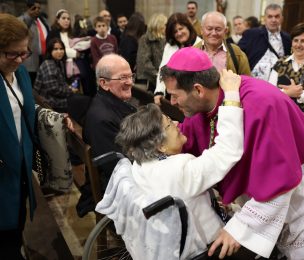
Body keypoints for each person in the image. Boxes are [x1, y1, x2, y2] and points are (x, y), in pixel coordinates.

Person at [160, 47, 304, 259]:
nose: (172, 103)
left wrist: (241, 227)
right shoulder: (201, 105)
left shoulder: (261, 103)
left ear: (198, 90)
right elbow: (190, 139)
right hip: (283, 178)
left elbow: (279, 180)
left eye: (175, 96)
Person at [97, 68, 245, 259]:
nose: (177, 123)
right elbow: (227, 151)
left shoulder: (139, 165)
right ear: (160, 145)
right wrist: (232, 95)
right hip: (204, 248)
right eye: (169, 123)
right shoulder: (180, 168)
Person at [0, 13, 36, 259]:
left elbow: (25, 108)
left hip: (20, 163)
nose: (21, 59)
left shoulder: (20, 73)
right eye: (13, 54)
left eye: (25, 52)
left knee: (17, 218)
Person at [83, 54, 137, 191]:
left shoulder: (111, 104)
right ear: (104, 83)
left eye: (131, 76)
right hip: (117, 189)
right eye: (123, 77)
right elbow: (118, 168)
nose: (130, 82)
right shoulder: (102, 119)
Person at [153, 12, 201, 103]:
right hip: (172, 97)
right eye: (175, 31)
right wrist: (159, 91)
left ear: (188, 27)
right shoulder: (170, 46)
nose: (179, 33)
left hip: (194, 98)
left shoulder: (200, 44)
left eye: (181, 28)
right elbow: (163, 70)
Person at [239, 4, 291, 81]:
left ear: (282, 19)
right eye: (270, 16)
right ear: (264, 19)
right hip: (253, 82)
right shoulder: (252, 34)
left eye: (277, 16)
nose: (273, 20)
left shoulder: (287, 38)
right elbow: (237, 55)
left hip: (277, 84)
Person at [195, 11, 250, 76]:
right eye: (209, 29)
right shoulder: (193, 52)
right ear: (201, 30)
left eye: (218, 29)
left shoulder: (236, 53)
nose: (213, 33)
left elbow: (247, 82)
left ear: (225, 31)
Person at [34, 38, 75, 112]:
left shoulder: (60, 62)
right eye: (55, 49)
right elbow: (53, 89)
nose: (59, 51)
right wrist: (70, 91)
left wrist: (69, 88)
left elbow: (62, 83)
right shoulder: (48, 64)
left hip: (57, 98)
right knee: (82, 102)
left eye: (61, 48)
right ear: (50, 51)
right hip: (48, 102)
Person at [18, 0, 50, 84]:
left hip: (42, 59)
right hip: (30, 60)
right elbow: (22, 29)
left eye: (39, 8)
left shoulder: (41, 20)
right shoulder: (22, 20)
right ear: (28, 8)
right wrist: (29, 15)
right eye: (34, 8)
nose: (37, 10)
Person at [136, 13, 167, 93]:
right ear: (158, 25)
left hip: (164, 80)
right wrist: (158, 75)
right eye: (165, 25)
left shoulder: (167, 40)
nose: (167, 27)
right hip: (149, 80)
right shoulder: (146, 39)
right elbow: (144, 61)